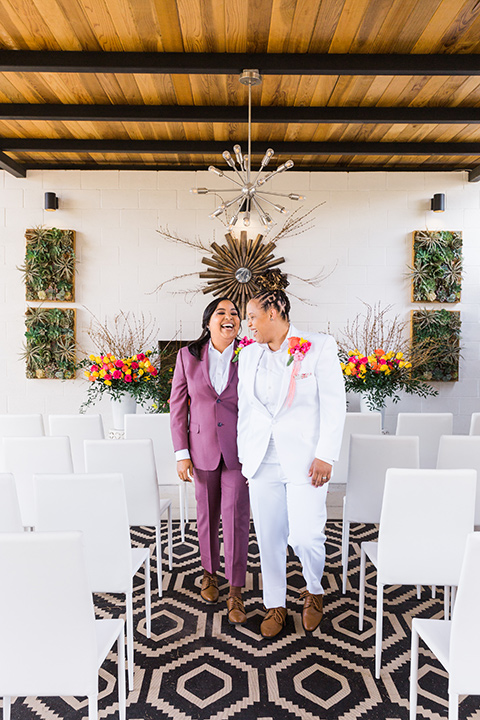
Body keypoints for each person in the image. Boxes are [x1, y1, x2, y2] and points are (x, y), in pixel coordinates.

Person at [237, 277, 346, 638]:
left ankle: (314, 590)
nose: (247, 324)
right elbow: (246, 411)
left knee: (304, 536)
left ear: (274, 311)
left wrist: (326, 455)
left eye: (252, 316)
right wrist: (244, 456)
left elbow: (334, 406)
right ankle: (275, 603)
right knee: (268, 535)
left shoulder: (318, 347)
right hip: (261, 459)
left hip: (305, 460)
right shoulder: (248, 354)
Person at [169, 297, 250, 624]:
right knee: (206, 515)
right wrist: (181, 453)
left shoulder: (250, 357)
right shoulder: (187, 357)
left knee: (236, 518)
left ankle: (235, 590)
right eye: (221, 313)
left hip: (238, 452)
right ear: (208, 322)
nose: (229, 318)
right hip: (200, 449)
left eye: (234, 314)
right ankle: (209, 573)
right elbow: (178, 407)